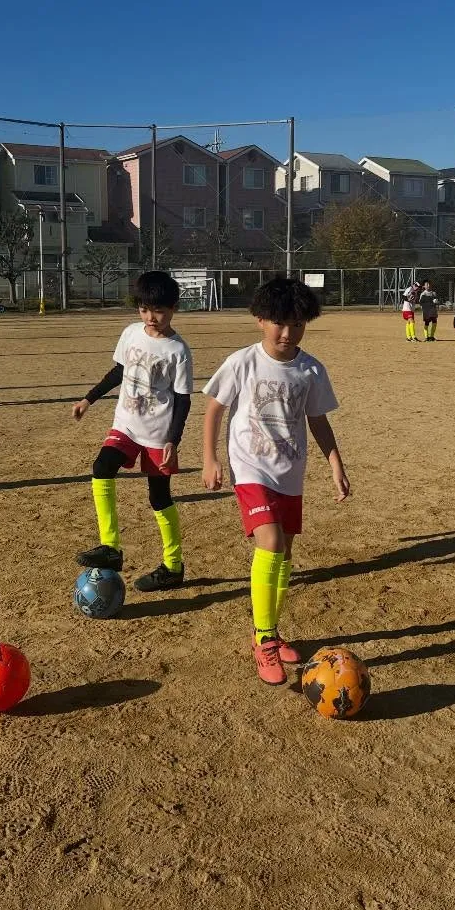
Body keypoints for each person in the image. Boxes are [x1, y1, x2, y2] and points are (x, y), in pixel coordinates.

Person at [202, 276, 350, 685]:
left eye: (298, 324)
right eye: (279, 323)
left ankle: (271, 628)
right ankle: (263, 638)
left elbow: (317, 419)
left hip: (290, 472)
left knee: (284, 554)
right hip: (250, 468)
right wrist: (210, 458)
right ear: (260, 321)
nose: (288, 333)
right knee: (270, 541)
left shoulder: (311, 369)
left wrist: (335, 463)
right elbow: (214, 409)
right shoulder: (242, 362)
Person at [72, 270, 194, 591]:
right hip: (126, 425)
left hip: (157, 434)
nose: (151, 317)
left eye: (159, 311)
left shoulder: (178, 351)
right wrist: (89, 399)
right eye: (144, 309)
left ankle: (173, 566)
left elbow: (182, 401)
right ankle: (110, 548)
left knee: (159, 497)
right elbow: (119, 372)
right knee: (102, 467)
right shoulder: (130, 334)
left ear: (173, 308)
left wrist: (173, 440)